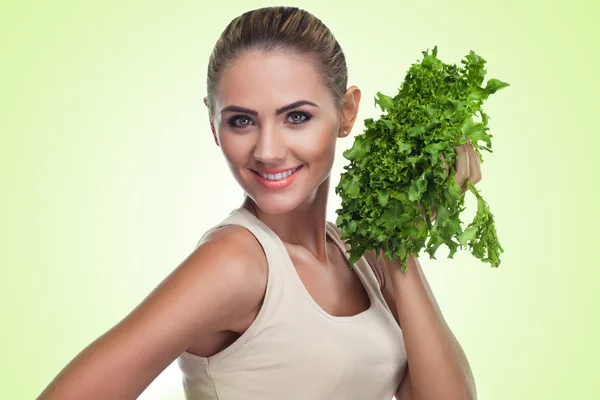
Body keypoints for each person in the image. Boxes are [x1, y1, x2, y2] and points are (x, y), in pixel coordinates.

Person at [38, 6, 479, 400]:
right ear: (214, 125)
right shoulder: (235, 263)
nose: (267, 150)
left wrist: (399, 242)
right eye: (242, 121)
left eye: (297, 116)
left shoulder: (358, 254)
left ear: (346, 113)